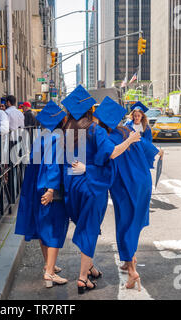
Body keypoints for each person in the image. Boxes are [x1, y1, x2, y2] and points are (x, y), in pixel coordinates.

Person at [62, 88, 141, 294]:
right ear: (90, 111)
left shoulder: (68, 130)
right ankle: (82, 277)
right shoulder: (94, 130)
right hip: (91, 185)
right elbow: (112, 153)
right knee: (89, 229)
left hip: (73, 185)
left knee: (85, 225)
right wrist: (130, 140)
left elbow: (70, 162)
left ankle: (90, 266)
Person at [15, 100, 69, 288]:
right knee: (54, 228)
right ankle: (49, 273)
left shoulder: (41, 137)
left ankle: (48, 264)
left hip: (35, 187)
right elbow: (53, 166)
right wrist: (52, 189)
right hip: (49, 188)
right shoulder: (57, 137)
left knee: (43, 228)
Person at [108, 124, 163, 291]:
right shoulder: (130, 132)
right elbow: (153, 151)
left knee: (125, 226)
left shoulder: (108, 139)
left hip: (124, 187)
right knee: (133, 224)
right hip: (143, 183)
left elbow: (105, 163)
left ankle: (132, 271)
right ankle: (129, 261)